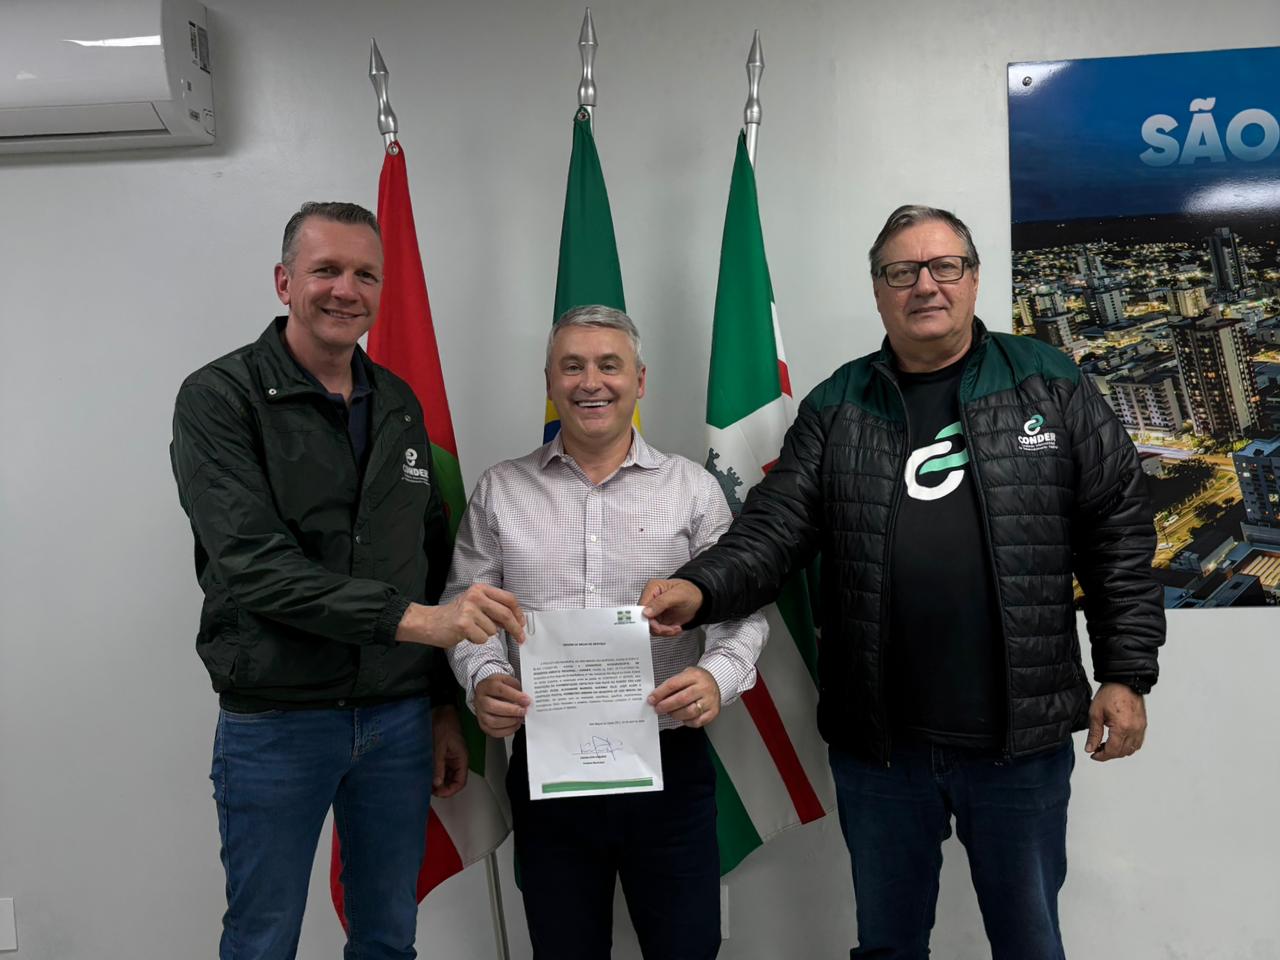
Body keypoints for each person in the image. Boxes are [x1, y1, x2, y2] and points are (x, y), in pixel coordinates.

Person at [641, 205, 1165, 959]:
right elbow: (774, 528)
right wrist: (700, 589)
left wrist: (1125, 672)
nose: (926, 285)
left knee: (1029, 943)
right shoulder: (838, 404)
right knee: (888, 946)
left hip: (1019, 741)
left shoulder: (1049, 383)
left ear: (973, 278)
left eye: (944, 266)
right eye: (902, 271)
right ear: (879, 290)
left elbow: (1118, 532)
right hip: (881, 746)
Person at [170, 201, 524, 960]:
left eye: (365, 274)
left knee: (389, 935)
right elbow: (255, 567)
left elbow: (428, 558)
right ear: (284, 281)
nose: (345, 290)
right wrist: (419, 622)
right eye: (325, 270)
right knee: (263, 938)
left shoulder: (398, 403)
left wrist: (440, 706)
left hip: (397, 720)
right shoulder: (218, 398)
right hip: (278, 721)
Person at [444, 305, 767, 960]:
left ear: (639, 381)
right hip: (548, 770)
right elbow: (464, 608)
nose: (591, 382)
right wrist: (485, 677)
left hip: (669, 769)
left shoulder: (693, 491)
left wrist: (716, 678)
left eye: (609, 365)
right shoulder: (501, 490)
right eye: (572, 366)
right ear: (550, 382)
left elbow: (741, 613)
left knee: (686, 950)